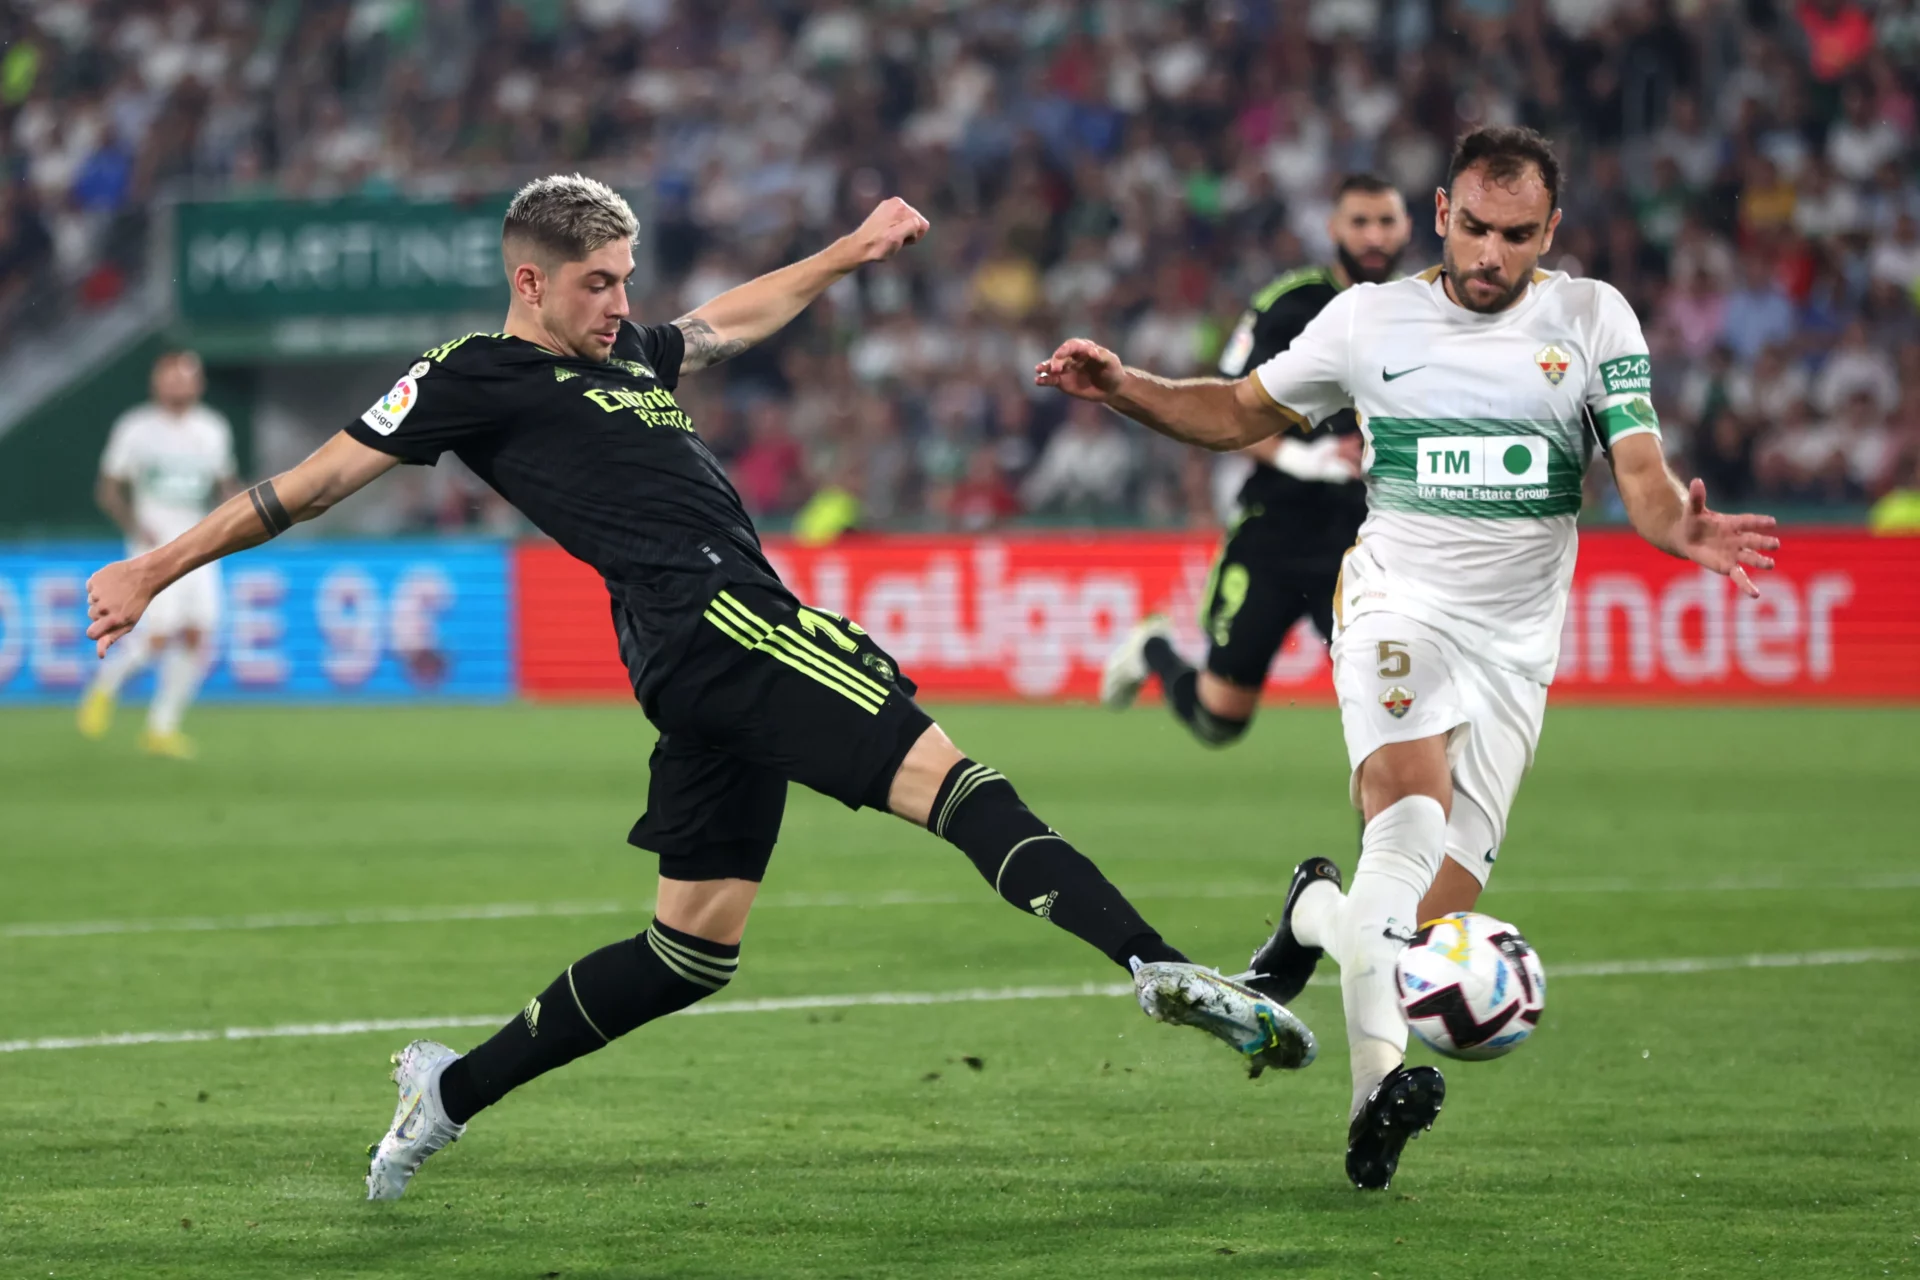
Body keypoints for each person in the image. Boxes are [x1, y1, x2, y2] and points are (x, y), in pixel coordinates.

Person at [83, 175, 1314, 1201]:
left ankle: (447, 1088)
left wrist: (849, 249)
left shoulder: (625, 359)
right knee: (952, 778)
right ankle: (1157, 964)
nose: (623, 303)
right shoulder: (468, 375)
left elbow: (734, 316)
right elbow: (307, 481)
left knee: (690, 949)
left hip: (689, 655)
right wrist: (153, 562)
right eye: (598, 283)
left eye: (626, 278)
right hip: (724, 621)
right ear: (530, 281)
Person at [1035, 127, 1778, 1190]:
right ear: (1442, 213)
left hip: (1515, 648)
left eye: (1517, 235)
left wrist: (1678, 528)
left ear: (1549, 233)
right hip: (1394, 603)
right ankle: (1371, 1101)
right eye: (1474, 226)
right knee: (1408, 817)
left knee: (1421, 928)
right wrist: (1124, 386)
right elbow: (1240, 409)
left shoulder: (1591, 316)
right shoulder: (1370, 318)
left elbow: (1643, 470)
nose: (1490, 253)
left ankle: (1310, 912)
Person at [1102, 174, 1413, 746]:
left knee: (1389, 713)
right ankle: (1153, 649)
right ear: (1333, 229)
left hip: (1364, 544)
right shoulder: (1288, 306)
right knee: (1218, 721)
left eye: (1386, 222)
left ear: (1409, 227)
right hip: (1276, 530)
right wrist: (1302, 458)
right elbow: (1223, 410)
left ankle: (1391, 839)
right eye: (1360, 222)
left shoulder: (1419, 311)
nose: (1374, 236)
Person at [77, 350, 236, 759]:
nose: (179, 384)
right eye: (172, 377)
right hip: (153, 546)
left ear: (198, 384)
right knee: (159, 637)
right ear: (157, 382)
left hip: (201, 545)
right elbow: (108, 489)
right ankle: (105, 687)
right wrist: (135, 528)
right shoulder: (136, 428)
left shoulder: (213, 429)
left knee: (200, 635)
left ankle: (161, 728)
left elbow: (226, 487)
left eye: (187, 377)